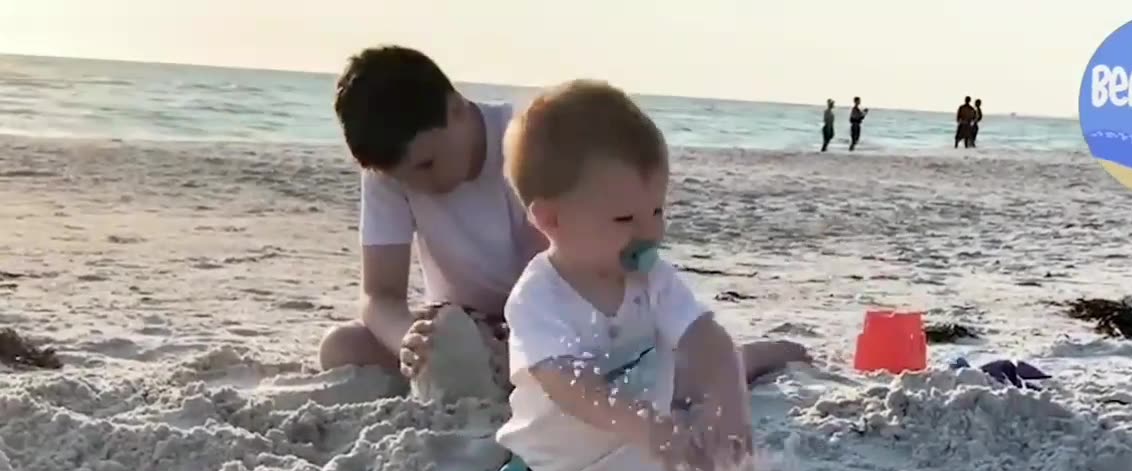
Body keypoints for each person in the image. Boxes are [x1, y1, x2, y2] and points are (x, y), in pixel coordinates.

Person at [323, 45, 808, 392]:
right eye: (403, 176)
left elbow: (567, 265)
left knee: (659, 381)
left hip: (562, 308)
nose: (418, 185)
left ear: (456, 109)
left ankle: (751, 357)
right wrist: (405, 337)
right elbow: (379, 294)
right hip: (462, 327)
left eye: (427, 165)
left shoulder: (529, 143)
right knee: (341, 348)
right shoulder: (392, 173)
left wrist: (516, 338)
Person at [474, 80, 753, 471]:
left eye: (657, 212)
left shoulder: (656, 282)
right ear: (549, 219)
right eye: (625, 219)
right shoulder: (539, 297)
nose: (649, 234)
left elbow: (706, 337)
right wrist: (645, 425)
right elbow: (566, 382)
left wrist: (730, 405)